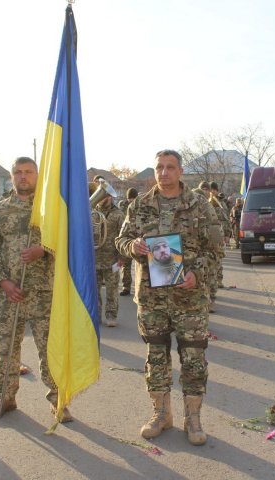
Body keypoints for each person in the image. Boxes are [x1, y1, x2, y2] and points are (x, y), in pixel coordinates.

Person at [116, 149, 221, 446]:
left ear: (181, 171)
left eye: (170, 167)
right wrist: (131, 246)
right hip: (152, 299)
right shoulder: (140, 205)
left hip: (190, 298)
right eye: (159, 167)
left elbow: (215, 250)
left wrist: (196, 274)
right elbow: (120, 240)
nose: (164, 173)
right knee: (156, 358)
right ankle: (161, 414)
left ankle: (193, 418)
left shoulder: (199, 205)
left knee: (193, 359)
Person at [0, 157, 70, 422]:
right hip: (11, 295)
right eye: (18, 172)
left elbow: (67, 246)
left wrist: (43, 250)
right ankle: (5, 398)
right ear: (12, 177)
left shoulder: (51, 211)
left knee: (49, 350)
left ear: (37, 176)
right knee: (7, 349)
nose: (23, 177)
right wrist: (4, 283)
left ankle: (58, 401)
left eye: (28, 172)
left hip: (44, 294)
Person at [94, 190, 125, 327]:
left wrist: (122, 257)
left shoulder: (118, 214)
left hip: (112, 259)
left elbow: (123, 236)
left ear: (110, 196)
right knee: (94, 290)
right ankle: (95, 316)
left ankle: (111, 316)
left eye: (104, 195)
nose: (102, 198)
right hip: (94, 258)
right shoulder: (91, 212)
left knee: (112, 290)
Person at [118, 188, 138, 296]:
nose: (130, 200)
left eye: (132, 198)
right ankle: (126, 287)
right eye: (129, 198)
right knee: (125, 265)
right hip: (127, 238)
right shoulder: (123, 208)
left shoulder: (140, 204)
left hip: (139, 238)